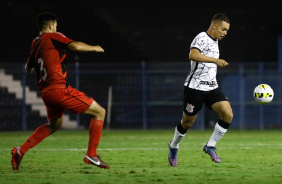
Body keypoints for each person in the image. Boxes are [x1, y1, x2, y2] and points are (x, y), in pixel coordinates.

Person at [11, 12, 110, 171]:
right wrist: (94, 48)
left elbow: (27, 67)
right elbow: (75, 45)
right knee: (99, 112)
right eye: (56, 25)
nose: (56, 28)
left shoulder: (35, 43)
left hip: (46, 92)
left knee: (54, 125)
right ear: (51, 26)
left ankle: (20, 150)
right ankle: (91, 154)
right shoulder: (52, 36)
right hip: (58, 89)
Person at [168, 13, 233, 166]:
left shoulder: (216, 40)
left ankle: (210, 146)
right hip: (195, 87)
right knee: (187, 122)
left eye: (227, 30)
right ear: (214, 26)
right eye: (223, 29)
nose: (225, 33)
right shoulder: (202, 37)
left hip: (211, 87)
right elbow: (193, 55)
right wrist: (215, 60)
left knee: (227, 114)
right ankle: (174, 145)